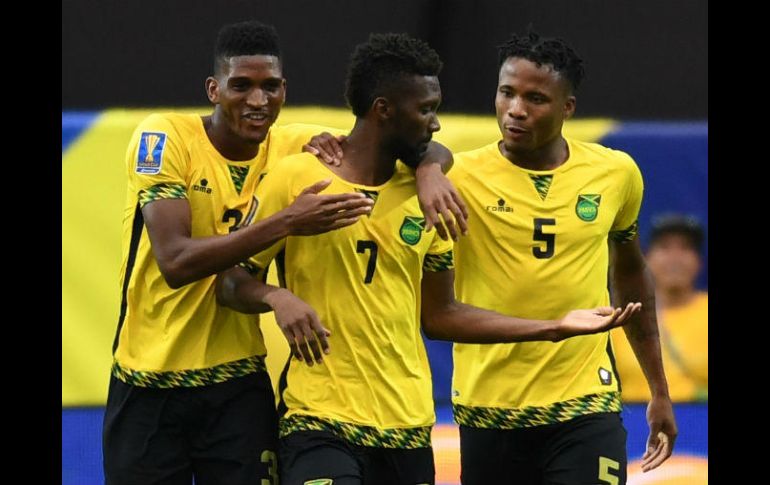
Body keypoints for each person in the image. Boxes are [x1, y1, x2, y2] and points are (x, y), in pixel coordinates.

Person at [216, 32, 640, 485]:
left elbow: (440, 314)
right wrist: (277, 297)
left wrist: (554, 327)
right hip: (317, 418)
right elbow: (231, 283)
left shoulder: (429, 197)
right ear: (384, 110)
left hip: (408, 428)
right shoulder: (297, 177)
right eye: (426, 110)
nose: (435, 124)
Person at [102, 20, 464, 485]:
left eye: (270, 87)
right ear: (213, 89)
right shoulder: (164, 138)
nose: (258, 101)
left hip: (238, 383)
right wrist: (287, 224)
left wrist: (431, 170)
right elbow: (175, 263)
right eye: (242, 86)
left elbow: (399, 130)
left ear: (285, 90)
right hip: (148, 379)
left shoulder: (296, 146)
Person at [446, 32, 678, 484]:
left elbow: (630, 274)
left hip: (586, 402)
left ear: (567, 108)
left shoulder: (615, 172)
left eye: (536, 98)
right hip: (488, 407)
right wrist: (430, 166)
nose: (516, 109)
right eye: (506, 93)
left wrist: (658, 390)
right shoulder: (455, 174)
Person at [612, 214, 708, 402]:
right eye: (664, 247)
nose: (675, 259)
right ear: (646, 258)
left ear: (699, 261)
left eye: (685, 248)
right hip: (634, 424)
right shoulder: (622, 316)